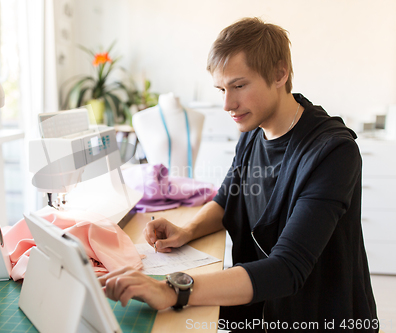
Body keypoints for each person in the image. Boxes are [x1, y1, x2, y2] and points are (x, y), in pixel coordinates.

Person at [98, 17, 378, 332]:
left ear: (279, 73)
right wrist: (186, 230)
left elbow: (287, 269)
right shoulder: (253, 131)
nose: (228, 104)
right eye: (221, 89)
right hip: (264, 308)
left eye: (239, 85)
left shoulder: (332, 152)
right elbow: (229, 197)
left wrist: (173, 290)